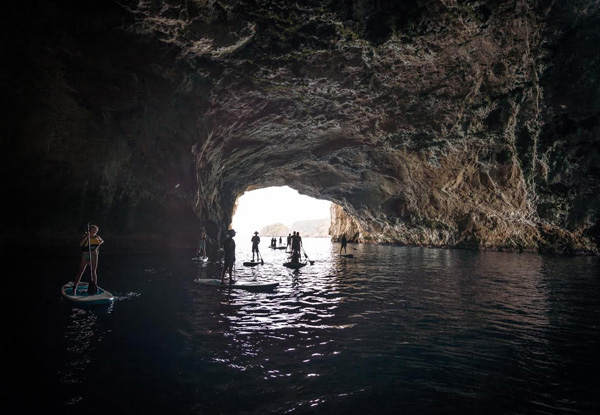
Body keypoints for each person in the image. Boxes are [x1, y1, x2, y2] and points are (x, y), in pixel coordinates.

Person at [73, 224, 104, 295]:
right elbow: (81, 244)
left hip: (94, 254)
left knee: (93, 271)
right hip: (86, 254)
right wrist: (86, 237)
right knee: (81, 270)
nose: (94, 231)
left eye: (95, 230)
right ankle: (74, 287)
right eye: (93, 230)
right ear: (90, 230)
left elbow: (101, 241)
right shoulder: (86, 236)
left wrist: (101, 241)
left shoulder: (97, 237)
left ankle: (94, 287)